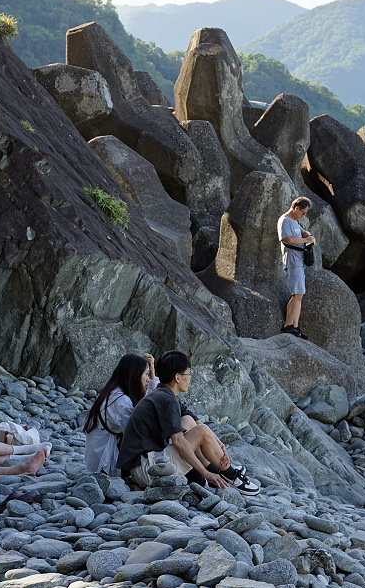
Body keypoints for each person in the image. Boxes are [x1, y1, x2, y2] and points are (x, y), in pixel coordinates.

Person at [115, 350, 259, 496]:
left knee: (188, 421)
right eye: (188, 374)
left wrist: (218, 442)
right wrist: (205, 473)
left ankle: (219, 471)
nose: (190, 379)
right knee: (201, 431)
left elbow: (189, 415)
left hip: (144, 464)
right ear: (178, 377)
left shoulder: (163, 393)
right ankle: (230, 476)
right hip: (146, 470)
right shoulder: (166, 399)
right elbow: (178, 441)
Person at [84, 353, 157, 474]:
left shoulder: (114, 392)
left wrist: (152, 371)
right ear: (134, 375)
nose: (148, 379)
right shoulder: (120, 401)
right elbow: (138, 430)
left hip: (98, 460)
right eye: (146, 374)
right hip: (105, 465)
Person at [277, 197, 315, 340]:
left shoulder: (294, 221)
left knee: (299, 294)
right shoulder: (285, 220)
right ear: (296, 208)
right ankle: (288, 325)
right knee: (297, 294)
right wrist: (306, 241)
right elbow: (288, 239)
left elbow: (304, 232)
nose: (303, 215)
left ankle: (295, 325)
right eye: (303, 213)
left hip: (300, 261)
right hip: (292, 261)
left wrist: (310, 236)